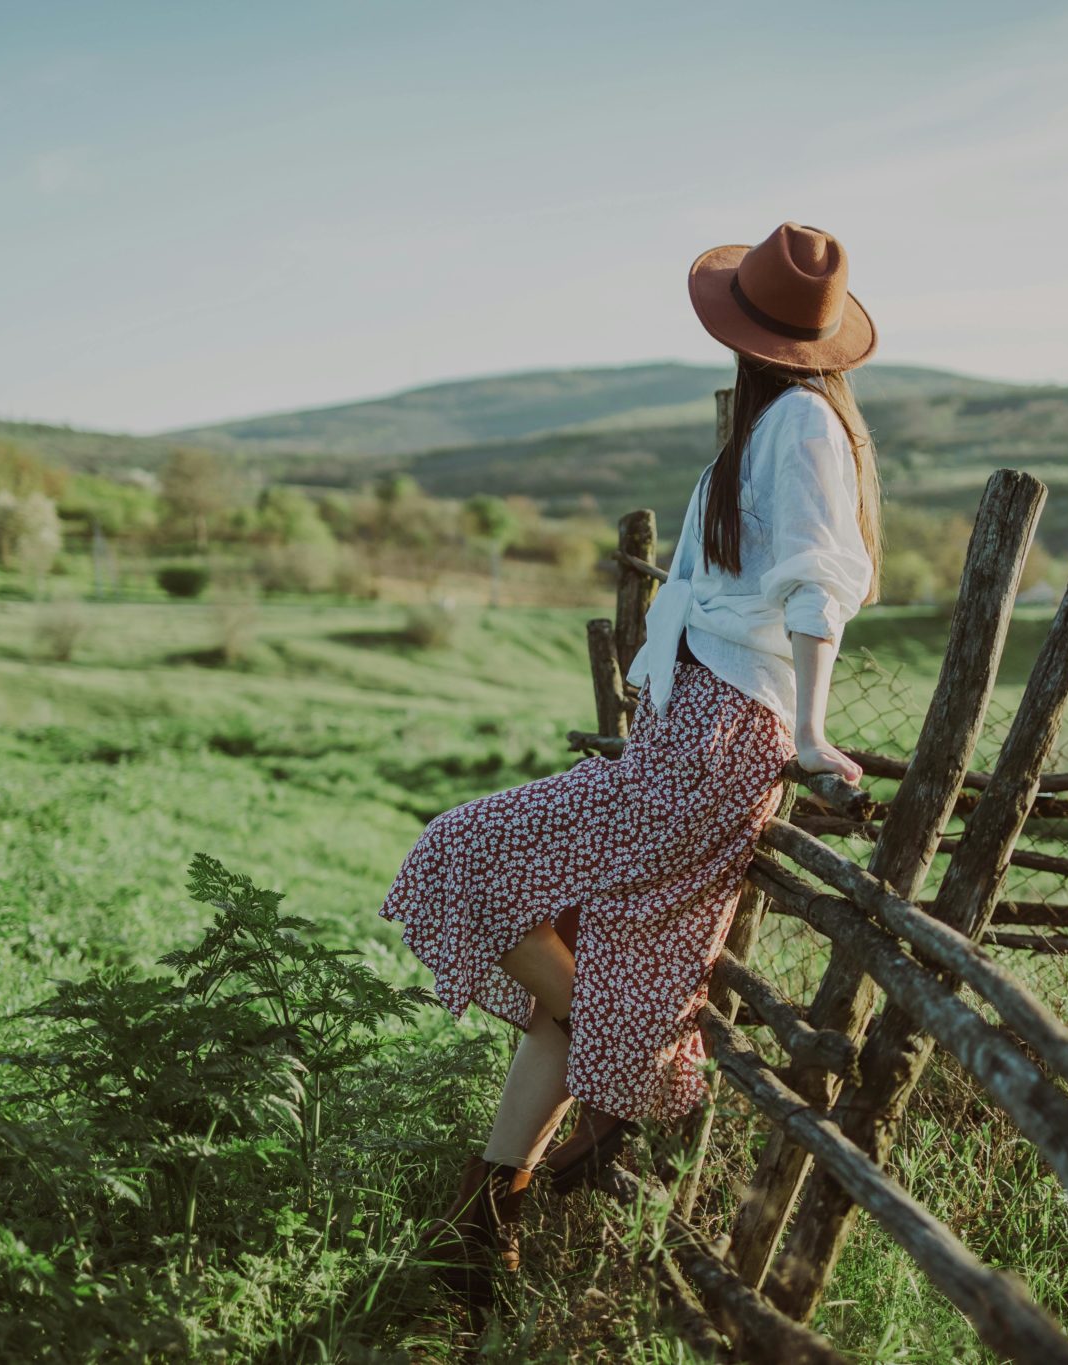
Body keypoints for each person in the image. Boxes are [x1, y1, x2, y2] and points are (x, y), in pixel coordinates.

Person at [379, 221, 882, 1305]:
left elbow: (818, 583)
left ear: (749, 335)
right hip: (687, 727)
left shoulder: (797, 424)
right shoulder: (776, 422)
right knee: (584, 958)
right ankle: (485, 1222)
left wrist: (804, 728)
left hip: (715, 739)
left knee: (460, 853)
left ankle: (624, 1079)